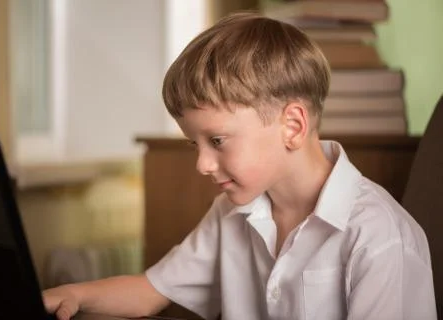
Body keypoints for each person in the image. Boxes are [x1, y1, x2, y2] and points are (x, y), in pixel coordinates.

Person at [43, 12, 437, 320]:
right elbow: (151, 292)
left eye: (216, 141)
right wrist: (73, 294)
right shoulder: (232, 211)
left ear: (293, 125)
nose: (201, 163)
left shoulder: (379, 237)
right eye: (193, 143)